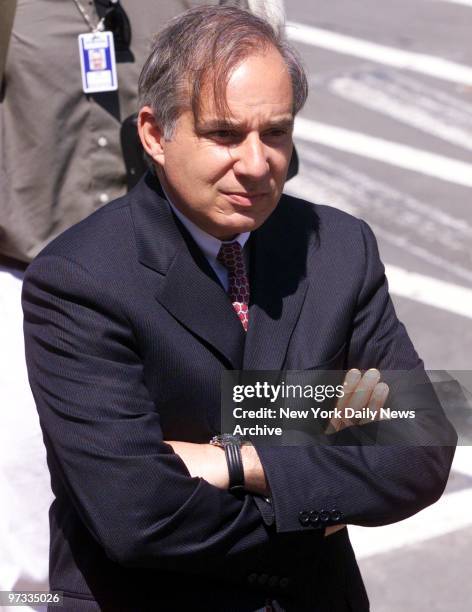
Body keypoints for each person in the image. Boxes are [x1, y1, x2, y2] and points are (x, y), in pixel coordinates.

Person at [22, 6, 456, 611]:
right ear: (154, 133)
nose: (256, 165)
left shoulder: (339, 248)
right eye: (224, 134)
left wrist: (232, 457)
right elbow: (136, 517)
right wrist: (322, 441)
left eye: (275, 133)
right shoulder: (80, 280)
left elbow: (424, 453)